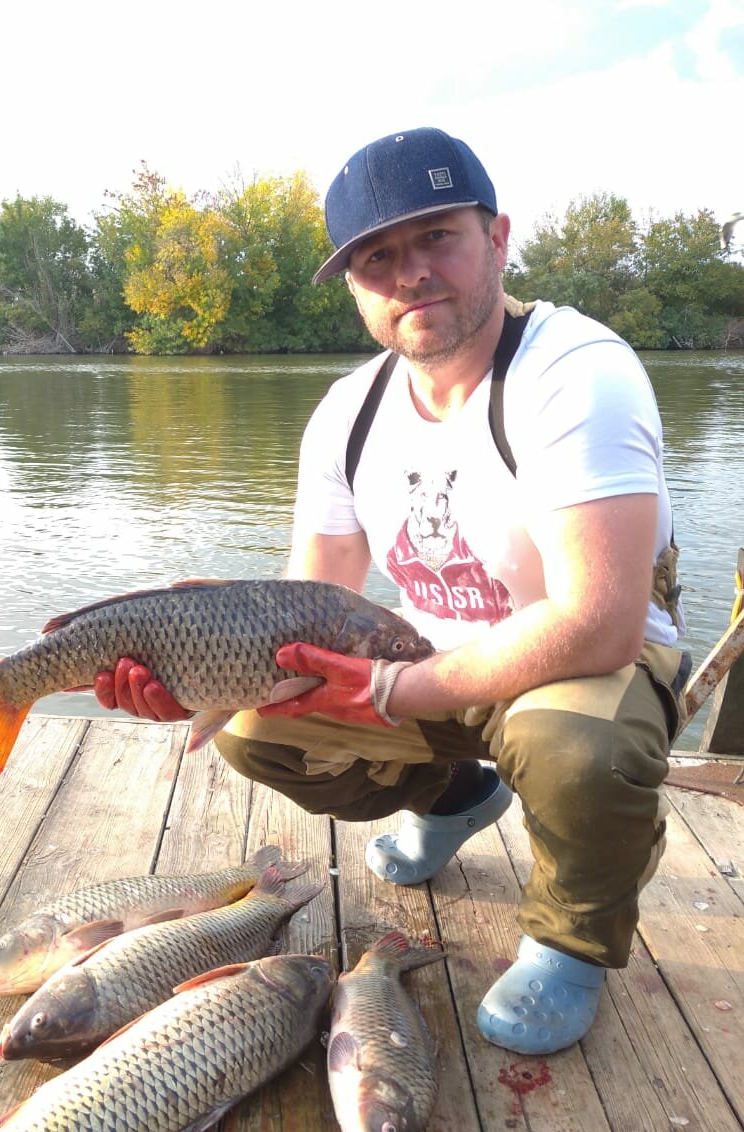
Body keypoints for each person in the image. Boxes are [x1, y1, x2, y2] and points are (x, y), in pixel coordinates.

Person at [93, 126, 689, 1056]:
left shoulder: (576, 371)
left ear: (497, 238)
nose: (410, 273)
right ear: (354, 286)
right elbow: (300, 609)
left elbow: (599, 622)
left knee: (575, 751)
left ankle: (571, 942)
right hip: (412, 661)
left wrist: (396, 690)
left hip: (584, 663)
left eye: (435, 238)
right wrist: (199, 676)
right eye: (377, 258)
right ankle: (455, 797)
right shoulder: (348, 411)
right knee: (252, 732)